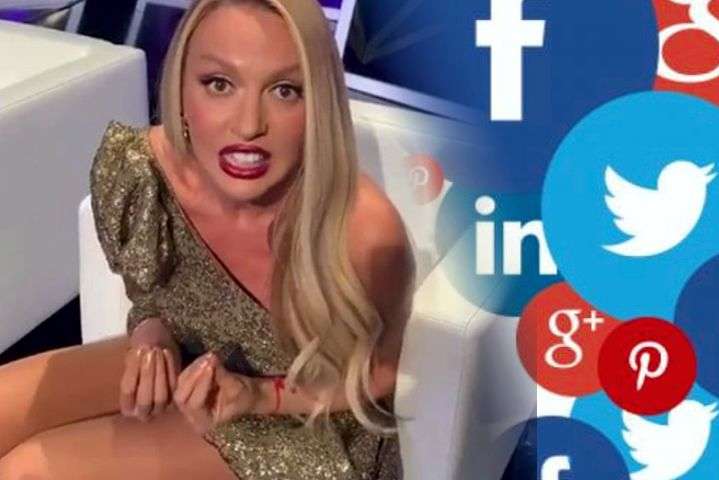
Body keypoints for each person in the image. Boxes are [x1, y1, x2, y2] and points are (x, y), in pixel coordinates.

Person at [0, 0, 416, 478]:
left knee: (28, 470)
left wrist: (257, 394)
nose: (248, 125)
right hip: (192, 367)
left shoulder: (363, 230)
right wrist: (151, 337)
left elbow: (382, 374)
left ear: (318, 104)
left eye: (284, 90)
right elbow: (153, 295)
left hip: (308, 424)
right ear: (180, 88)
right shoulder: (145, 172)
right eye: (219, 84)